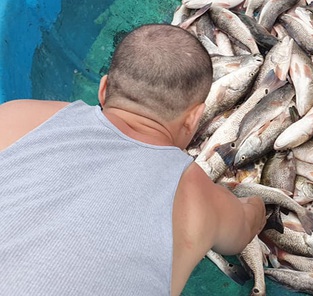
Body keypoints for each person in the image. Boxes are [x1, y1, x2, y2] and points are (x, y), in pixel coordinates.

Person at [0, 24, 266, 295]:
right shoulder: (199, 196)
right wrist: (257, 203)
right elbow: (244, 228)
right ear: (194, 119)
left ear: (103, 90)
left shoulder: (15, 115)